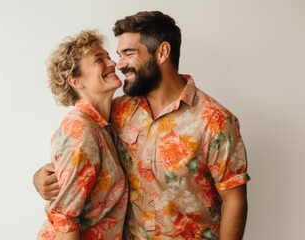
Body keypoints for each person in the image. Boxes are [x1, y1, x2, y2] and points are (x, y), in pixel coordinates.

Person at [34, 11, 250, 240]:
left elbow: (234, 201)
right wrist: (41, 177)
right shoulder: (117, 111)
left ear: (163, 52)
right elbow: (77, 155)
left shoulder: (214, 120)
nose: (119, 64)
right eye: (119, 54)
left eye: (128, 53)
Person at [36, 30, 128, 240]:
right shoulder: (81, 131)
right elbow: (64, 219)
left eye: (107, 56)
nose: (112, 63)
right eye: (99, 59)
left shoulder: (103, 125)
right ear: (76, 82)